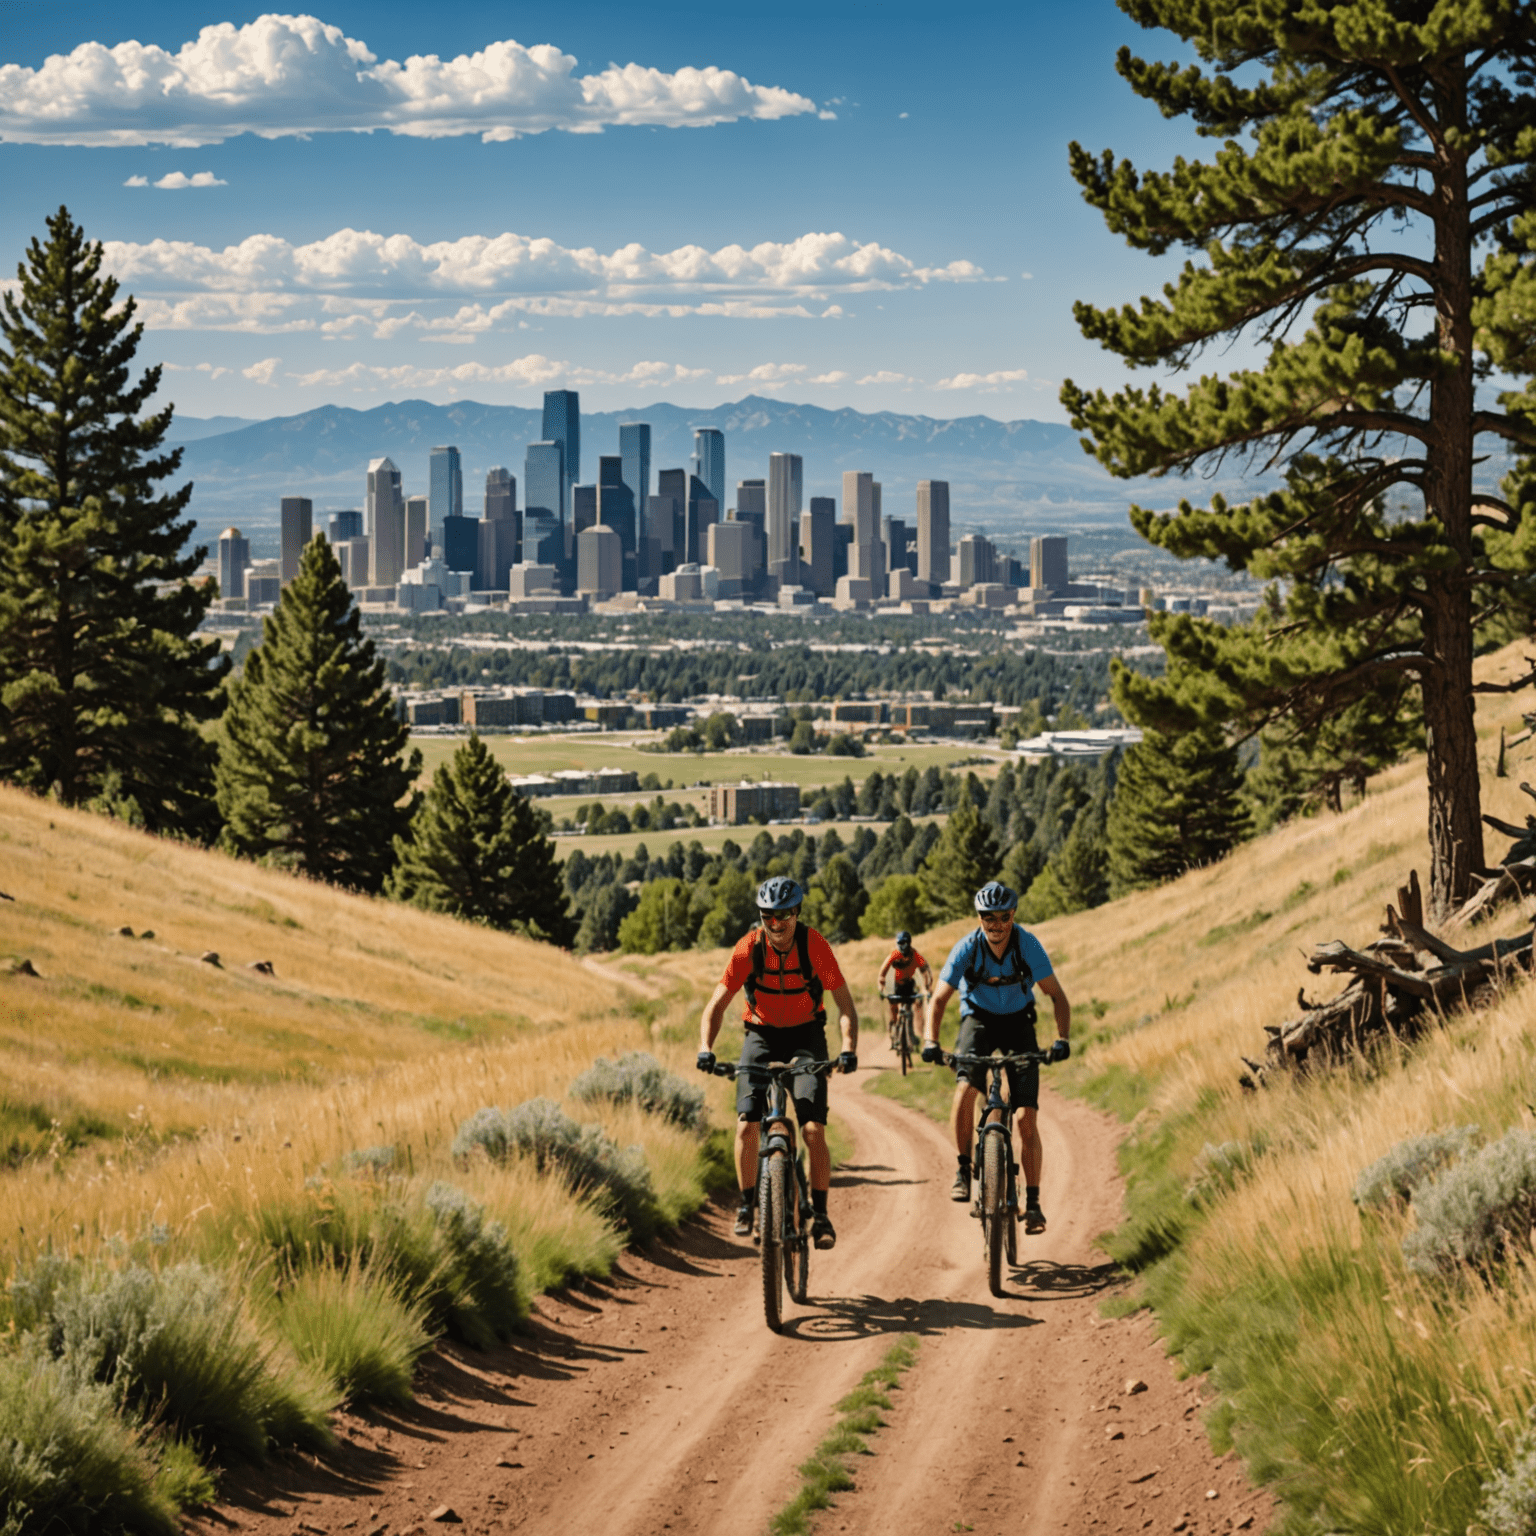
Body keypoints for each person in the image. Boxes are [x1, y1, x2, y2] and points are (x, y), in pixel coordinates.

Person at [697, 876, 859, 1249]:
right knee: (746, 1127)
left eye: (783, 915)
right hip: (761, 1035)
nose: (776, 923)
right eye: (768, 916)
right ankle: (747, 1204)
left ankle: (819, 1214)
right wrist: (705, 1047)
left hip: (806, 1037)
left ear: (796, 913)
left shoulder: (814, 945)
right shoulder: (748, 948)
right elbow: (716, 1005)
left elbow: (844, 1004)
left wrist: (848, 1047)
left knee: (813, 1129)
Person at [921, 881, 1070, 1235]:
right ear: (979, 917)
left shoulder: (1028, 945)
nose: (996, 924)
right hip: (978, 1021)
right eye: (989, 917)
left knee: (1025, 1120)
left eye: (1003, 917)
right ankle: (962, 1169)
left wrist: (1062, 1039)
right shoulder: (967, 949)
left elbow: (1057, 995)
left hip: (1019, 1023)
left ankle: (1032, 1203)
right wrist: (930, 1040)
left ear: (1013, 915)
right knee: (966, 1091)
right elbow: (939, 999)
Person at [876, 931, 933, 1051]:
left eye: (905, 942)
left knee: (915, 1007)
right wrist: (881, 988)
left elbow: (925, 971)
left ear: (909, 943)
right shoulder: (894, 955)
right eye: (900, 943)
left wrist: (927, 987)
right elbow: (882, 973)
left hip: (909, 985)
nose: (902, 945)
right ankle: (893, 1033)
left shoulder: (915, 955)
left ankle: (914, 1034)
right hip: (896, 986)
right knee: (893, 1012)